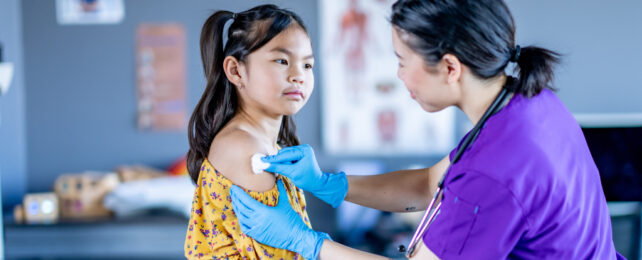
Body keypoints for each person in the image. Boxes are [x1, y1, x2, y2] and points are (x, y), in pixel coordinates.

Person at [229, 0, 624, 259]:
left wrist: (308, 243)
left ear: (450, 68)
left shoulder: (494, 172)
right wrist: (330, 184)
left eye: (402, 60)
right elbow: (430, 184)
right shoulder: (526, 105)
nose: (399, 75)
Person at [183, 5, 328, 259]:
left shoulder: (266, 145)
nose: (298, 76)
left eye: (307, 65)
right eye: (282, 61)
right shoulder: (245, 147)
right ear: (236, 70)